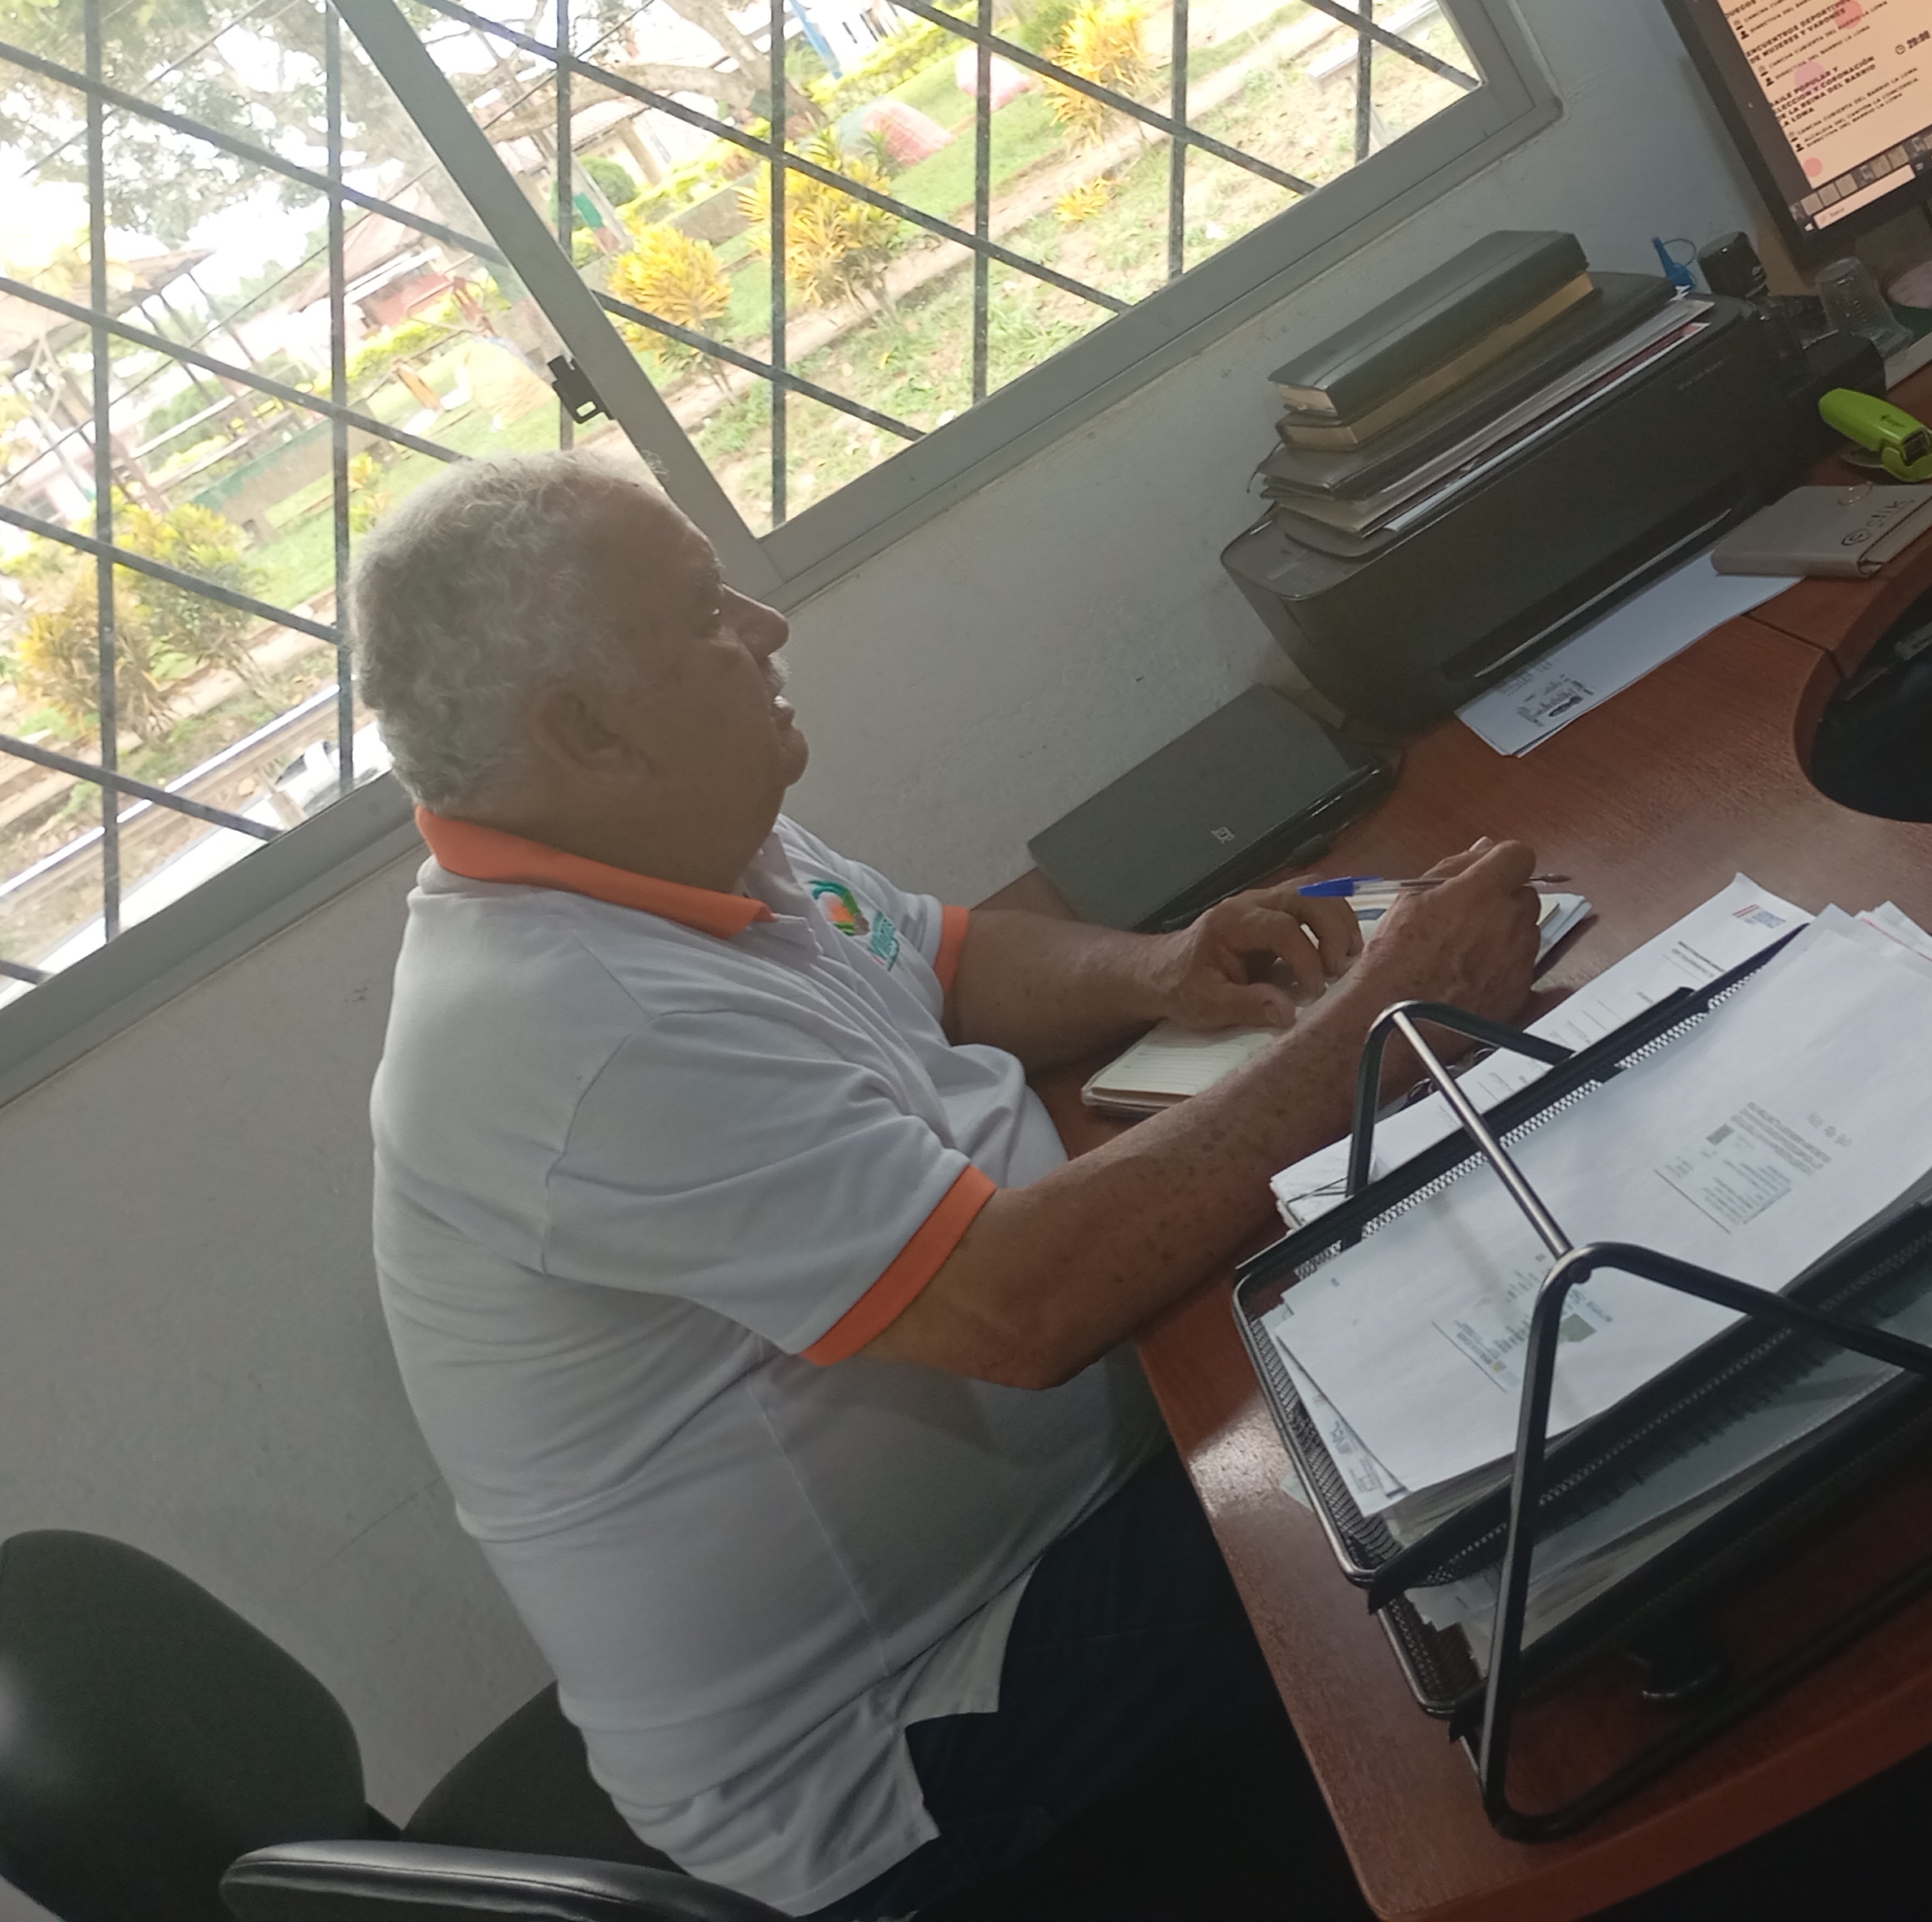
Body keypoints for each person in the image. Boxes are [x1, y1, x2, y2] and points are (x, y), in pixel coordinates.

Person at [353, 452, 1542, 1917]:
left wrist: (1158, 969)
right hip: (918, 1734)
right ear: (586, 729)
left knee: (1428, 1313)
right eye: (704, 610)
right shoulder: (572, 1027)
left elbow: (934, 956)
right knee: (1478, 1445)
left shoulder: (670, 837)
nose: (766, 626)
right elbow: (1021, 1313)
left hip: (1065, 1496)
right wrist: (1378, 1029)